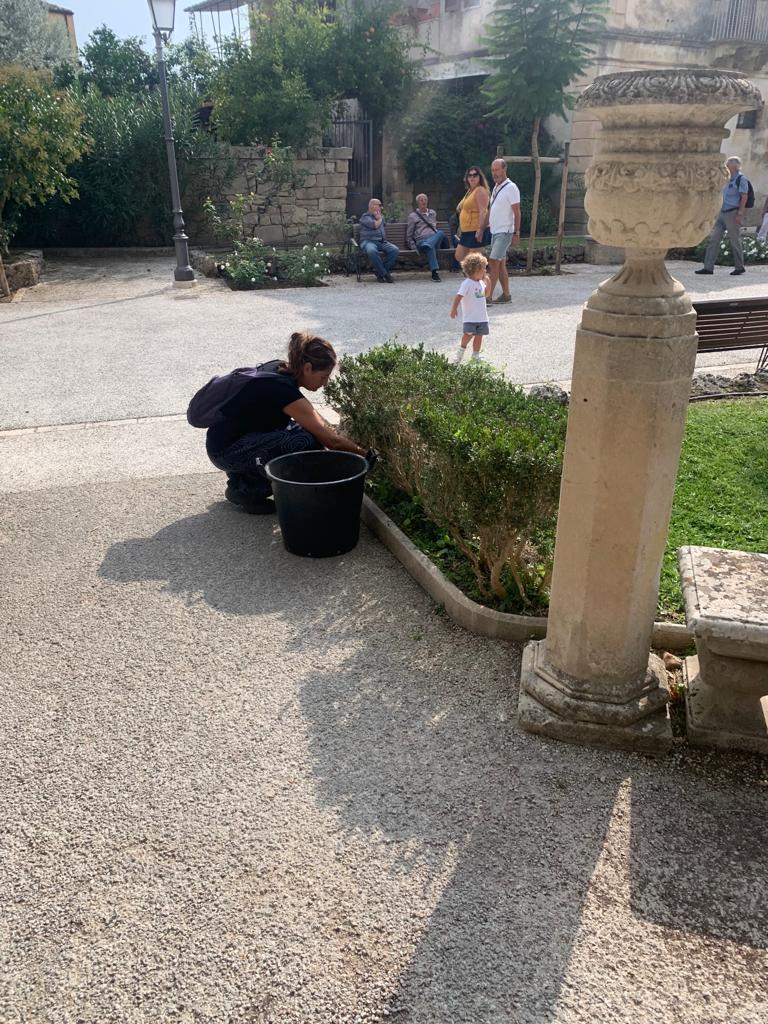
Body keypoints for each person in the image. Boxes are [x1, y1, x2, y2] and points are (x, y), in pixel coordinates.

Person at [206, 332, 368, 514]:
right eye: (324, 376)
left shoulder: (279, 369)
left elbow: (313, 420)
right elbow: (332, 442)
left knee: (303, 433)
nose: (325, 383)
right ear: (307, 368)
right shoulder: (283, 390)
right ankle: (247, 490)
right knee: (307, 443)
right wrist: (367, 455)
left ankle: (243, 476)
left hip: (226, 442)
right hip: (226, 452)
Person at [696, 156, 750, 276]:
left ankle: (739, 267)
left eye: (729, 165)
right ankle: (708, 267)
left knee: (735, 241)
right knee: (713, 240)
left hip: (733, 212)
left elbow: (744, 196)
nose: (726, 167)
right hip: (721, 212)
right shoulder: (725, 178)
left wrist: (740, 214)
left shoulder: (741, 179)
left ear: (736, 167)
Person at [484, 157, 521, 303]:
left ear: (504, 169)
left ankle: (488, 296)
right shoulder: (496, 188)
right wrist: (482, 228)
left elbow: (517, 212)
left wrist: (516, 233)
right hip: (495, 231)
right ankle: (506, 295)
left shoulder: (511, 188)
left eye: (497, 170)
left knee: (493, 261)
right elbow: (491, 210)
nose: (494, 173)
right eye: (492, 170)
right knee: (500, 264)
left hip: (505, 232)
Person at [450, 252, 491, 363]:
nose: (485, 271)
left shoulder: (481, 283)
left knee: (479, 336)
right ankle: (461, 351)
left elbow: (486, 295)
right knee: (468, 335)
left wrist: (488, 282)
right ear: (476, 269)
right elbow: (459, 296)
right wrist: (454, 309)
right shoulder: (467, 283)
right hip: (470, 318)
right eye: (483, 268)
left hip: (482, 317)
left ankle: (475, 355)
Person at [406, 193, 446, 282]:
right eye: (421, 200)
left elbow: (434, 227)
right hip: (421, 241)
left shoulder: (432, 213)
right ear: (418, 203)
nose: (424, 202)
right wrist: (413, 247)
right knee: (430, 248)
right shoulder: (413, 216)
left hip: (434, 240)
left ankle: (428, 244)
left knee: (440, 233)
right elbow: (409, 234)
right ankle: (434, 273)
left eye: (425, 200)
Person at [454, 167, 490, 265]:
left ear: (480, 177)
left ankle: (481, 276)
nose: (472, 177)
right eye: (470, 175)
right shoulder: (470, 191)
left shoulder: (480, 190)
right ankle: (479, 272)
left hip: (475, 230)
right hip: (466, 231)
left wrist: (480, 230)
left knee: (473, 261)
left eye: (475, 175)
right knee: (459, 256)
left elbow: (483, 211)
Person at [358, 198, 399, 282]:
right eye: (379, 205)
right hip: (368, 241)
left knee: (394, 250)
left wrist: (380, 218)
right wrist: (379, 219)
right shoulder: (365, 217)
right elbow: (375, 226)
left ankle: (379, 272)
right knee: (371, 251)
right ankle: (385, 274)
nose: (381, 207)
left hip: (381, 241)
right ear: (373, 206)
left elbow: (383, 227)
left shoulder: (380, 217)